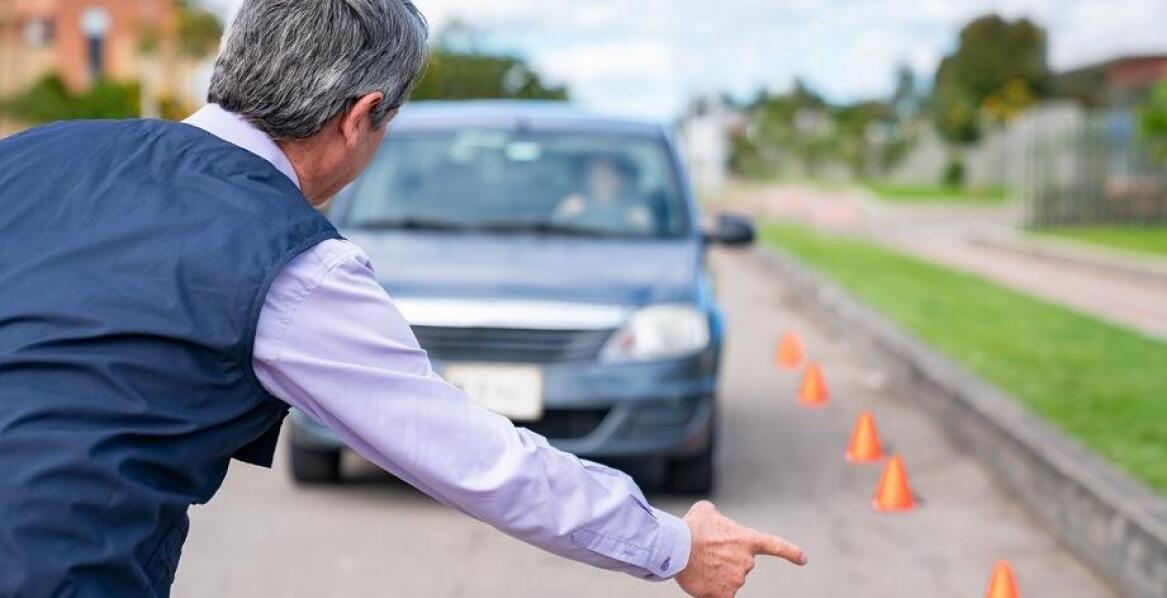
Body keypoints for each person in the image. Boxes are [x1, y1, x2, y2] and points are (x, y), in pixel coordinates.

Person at [0, 1, 806, 596]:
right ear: (361, 118)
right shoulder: (292, 262)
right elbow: (477, 461)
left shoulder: (33, 158)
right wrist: (673, 546)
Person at [552, 154, 654, 234]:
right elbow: (553, 238)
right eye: (598, 175)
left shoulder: (633, 211)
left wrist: (641, 226)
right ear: (588, 179)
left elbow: (652, 246)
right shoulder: (574, 206)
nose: (603, 180)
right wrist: (563, 215)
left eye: (609, 175)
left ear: (620, 180)